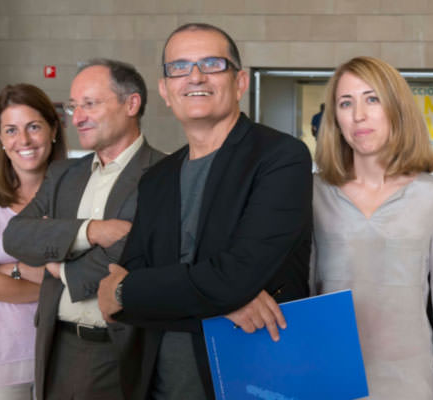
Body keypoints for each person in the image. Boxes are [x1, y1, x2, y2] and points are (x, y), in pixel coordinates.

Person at [96, 23, 312, 400]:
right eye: (179, 67)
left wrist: (127, 291)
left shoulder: (281, 158)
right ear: (165, 90)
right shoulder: (157, 178)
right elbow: (129, 294)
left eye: (212, 64)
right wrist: (222, 303)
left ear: (240, 81)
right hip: (160, 383)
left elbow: (235, 276)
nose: (195, 76)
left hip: (253, 377)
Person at [311, 56, 433, 399]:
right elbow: (302, 295)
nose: (359, 115)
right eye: (345, 103)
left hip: (410, 384)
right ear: (335, 119)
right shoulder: (312, 194)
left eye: (372, 99)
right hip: (329, 381)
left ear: (397, 108)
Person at [3, 59, 165, 400]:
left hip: (116, 350)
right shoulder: (64, 174)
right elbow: (16, 235)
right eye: (74, 107)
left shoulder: (164, 174)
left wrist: (58, 265)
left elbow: (135, 253)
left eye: (90, 104)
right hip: (55, 346)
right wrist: (89, 232)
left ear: (131, 104)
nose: (77, 117)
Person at [0, 83, 67, 399]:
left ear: (53, 129)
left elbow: (91, 272)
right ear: (0, 139)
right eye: (11, 130)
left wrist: (7, 270)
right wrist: (53, 285)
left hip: (65, 355)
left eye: (34, 127)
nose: (24, 141)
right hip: (0, 359)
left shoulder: (73, 194)